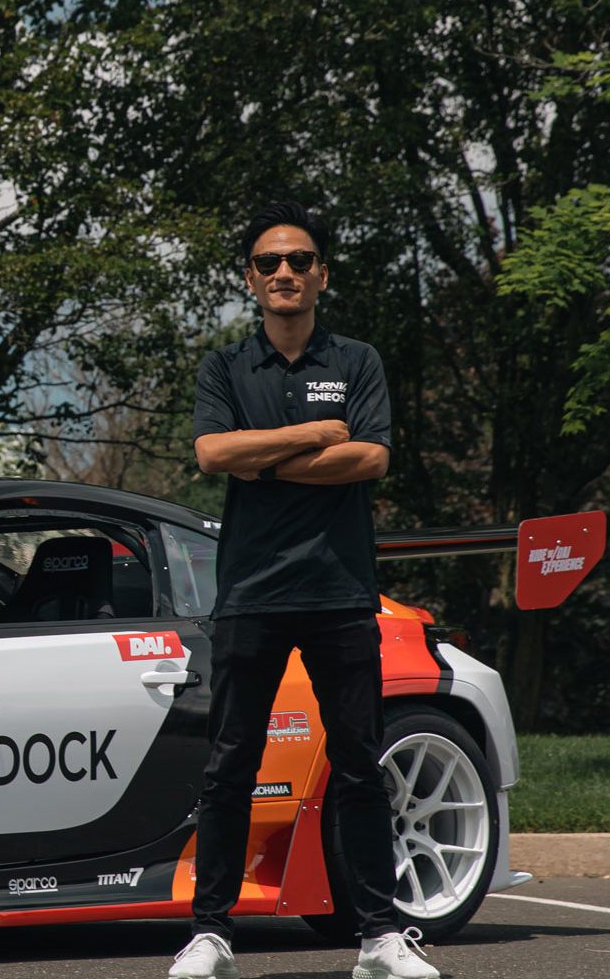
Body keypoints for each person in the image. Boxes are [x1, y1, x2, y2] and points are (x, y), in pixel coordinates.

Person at [171, 202, 436, 979]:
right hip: (251, 593)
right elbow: (213, 452)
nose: (283, 273)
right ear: (250, 279)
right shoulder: (225, 368)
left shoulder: (357, 360)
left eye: (298, 260)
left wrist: (268, 459)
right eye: (267, 263)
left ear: (321, 273)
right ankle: (210, 934)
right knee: (231, 765)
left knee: (357, 763)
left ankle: (381, 938)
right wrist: (317, 436)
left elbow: (372, 461)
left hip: (340, 590)